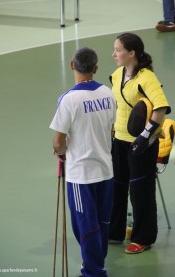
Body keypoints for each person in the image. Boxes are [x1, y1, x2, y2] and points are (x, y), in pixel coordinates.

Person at [50, 47, 116, 277]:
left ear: (72, 65)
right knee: (101, 223)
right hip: (106, 170)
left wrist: (59, 151)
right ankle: (97, 264)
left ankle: (93, 272)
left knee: (85, 226)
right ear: (96, 68)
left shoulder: (68, 99)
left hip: (81, 175)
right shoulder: (108, 93)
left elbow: (59, 141)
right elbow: (111, 128)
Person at [109, 32, 171, 254]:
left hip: (141, 145)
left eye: (118, 50)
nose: (114, 54)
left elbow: (160, 107)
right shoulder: (116, 75)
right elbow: (116, 105)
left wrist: (145, 136)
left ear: (131, 53)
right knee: (116, 187)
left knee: (140, 191)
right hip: (119, 140)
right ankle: (114, 231)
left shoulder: (147, 77)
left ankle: (143, 237)